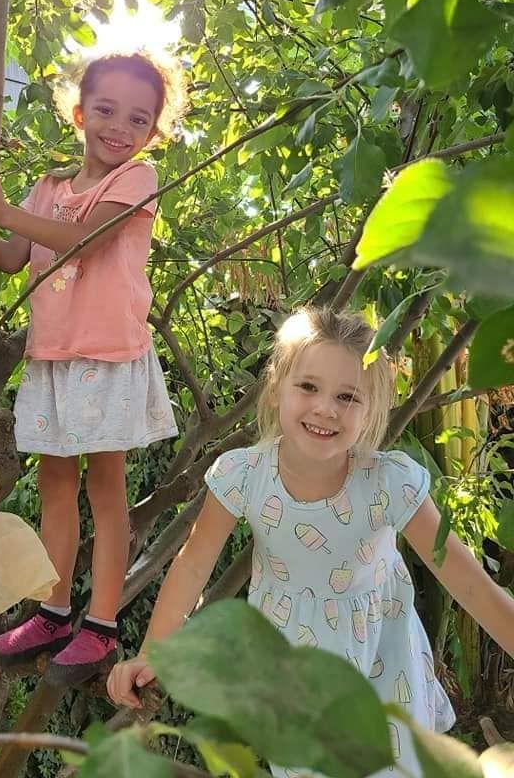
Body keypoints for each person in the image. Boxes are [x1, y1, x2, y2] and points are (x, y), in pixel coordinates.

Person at [107, 306, 514, 776]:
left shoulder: (388, 484)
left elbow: (469, 585)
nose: (325, 408)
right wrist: (151, 652)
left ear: (372, 406)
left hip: (380, 661)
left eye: (348, 396)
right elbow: (193, 563)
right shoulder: (245, 476)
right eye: (308, 387)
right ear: (278, 385)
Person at [0, 50, 187, 686]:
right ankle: (53, 609)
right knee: (54, 486)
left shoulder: (136, 180)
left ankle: (100, 626)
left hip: (107, 355)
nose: (119, 128)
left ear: (152, 133)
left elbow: (85, 239)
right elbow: (13, 255)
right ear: (79, 113)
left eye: (138, 118)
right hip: (52, 358)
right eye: (105, 110)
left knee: (105, 485)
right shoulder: (48, 188)